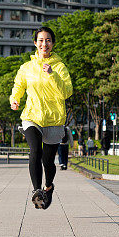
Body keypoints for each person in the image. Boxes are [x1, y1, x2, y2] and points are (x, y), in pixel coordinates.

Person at [10, 26, 73, 209]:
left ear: (52, 43)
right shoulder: (26, 67)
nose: (44, 43)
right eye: (40, 40)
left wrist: (52, 75)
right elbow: (18, 85)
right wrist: (15, 99)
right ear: (35, 43)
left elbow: (66, 92)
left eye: (48, 40)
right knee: (35, 150)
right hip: (32, 116)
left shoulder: (60, 67)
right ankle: (37, 190)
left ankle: (48, 187)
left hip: (54, 119)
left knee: (48, 161)